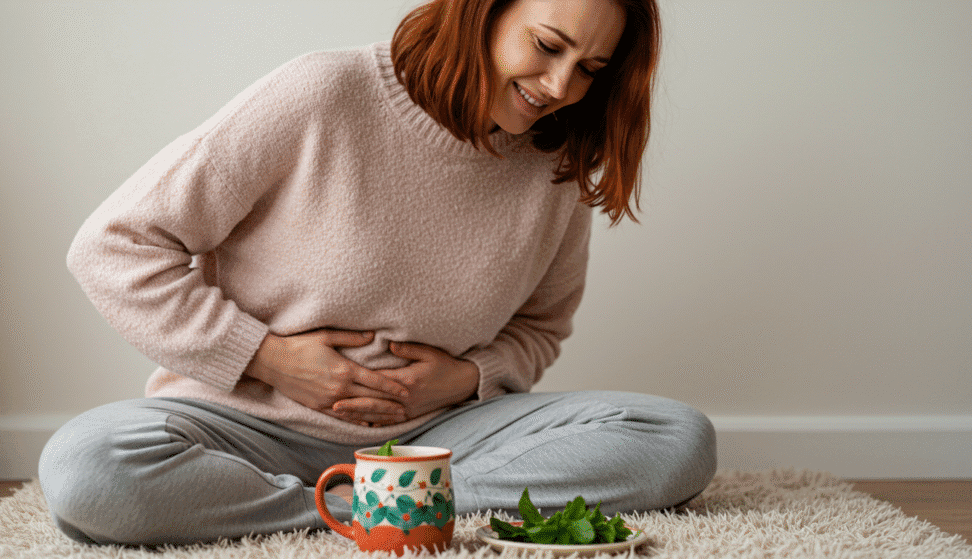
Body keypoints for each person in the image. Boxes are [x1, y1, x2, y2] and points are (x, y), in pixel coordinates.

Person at [39, 0, 716, 546]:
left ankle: (371, 504)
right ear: (483, 12)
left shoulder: (556, 164)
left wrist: (467, 378)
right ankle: (383, 511)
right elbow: (113, 246)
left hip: (437, 441)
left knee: (675, 438)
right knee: (88, 467)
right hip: (241, 430)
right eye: (546, 45)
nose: (560, 86)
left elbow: (541, 326)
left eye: (589, 68)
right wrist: (270, 358)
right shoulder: (324, 92)